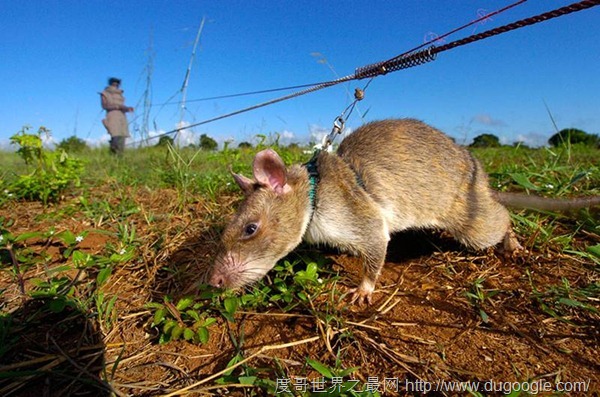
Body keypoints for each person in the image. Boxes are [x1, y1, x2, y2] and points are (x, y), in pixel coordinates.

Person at [100, 77, 134, 154]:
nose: (115, 85)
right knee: (115, 135)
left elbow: (122, 106)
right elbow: (104, 106)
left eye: (117, 84)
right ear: (110, 84)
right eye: (113, 84)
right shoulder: (105, 93)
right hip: (112, 115)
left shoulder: (120, 95)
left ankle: (120, 156)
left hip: (122, 116)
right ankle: (114, 154)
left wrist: (128, 108)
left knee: (122, 135)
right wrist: (117, 107)